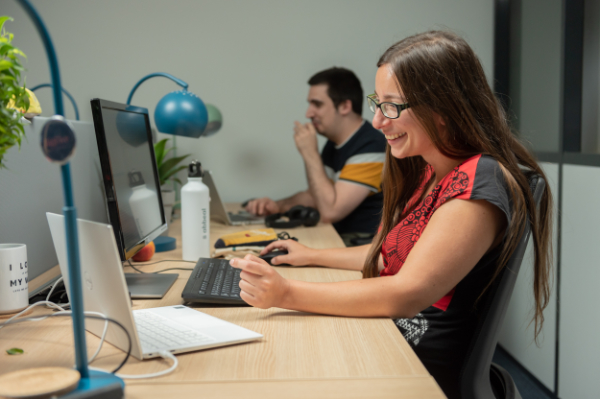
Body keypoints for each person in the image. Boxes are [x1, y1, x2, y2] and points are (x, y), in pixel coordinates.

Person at [230, 31, 553, 399]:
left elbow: (406, 292)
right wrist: (311, 256)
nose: (378, 122)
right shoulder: (433, 171)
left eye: (392, 106)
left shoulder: (480, 180)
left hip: (417, 366)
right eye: (376, 103)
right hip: (391, 337)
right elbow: (390, 254)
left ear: (443, 110)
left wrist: (286, 293)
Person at [245, 67, 387, 245]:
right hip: (338, 238)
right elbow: (316, 195)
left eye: (317, 104)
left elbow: (330, 211)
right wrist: (277, 206)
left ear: (345, 106)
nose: (308, 113)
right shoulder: (334, 143)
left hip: (361, 245)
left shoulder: (372, 146)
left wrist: (309, 153)